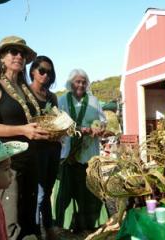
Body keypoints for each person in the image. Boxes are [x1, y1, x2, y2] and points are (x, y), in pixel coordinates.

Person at [0, 36, 50, 239]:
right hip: (8, 164)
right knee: (11, 220)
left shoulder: (26, 89)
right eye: (13, 51)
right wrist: (24, 130)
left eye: (23, 53)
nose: (19, 56)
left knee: (30, 216)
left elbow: (35, 119)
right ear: (2, 57)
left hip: (32, 159)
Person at [54, 69, 108, 233]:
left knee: (89, 188)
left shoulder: (93, 100)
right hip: (69, 153)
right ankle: (68, 223)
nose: (81, 85)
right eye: (78, 81)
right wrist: (79, 129)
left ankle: (90, 222)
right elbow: (58, 125)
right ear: (71, 83)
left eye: (84, 82)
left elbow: (103, 121)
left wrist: (99, 128)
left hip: (89, 151)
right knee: (68, 188)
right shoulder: (62, 100)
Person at [29, 56, 61, 240]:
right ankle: (35, 232)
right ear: (33, 71)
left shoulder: (52, 96)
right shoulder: (26, 93)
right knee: (38, 194)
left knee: (47, 191)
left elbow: (56, 121)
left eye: (49, 72)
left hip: (53, 148)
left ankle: (48, 228)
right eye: (42, 70)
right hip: (36, 149)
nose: (46, 75)